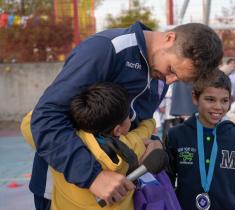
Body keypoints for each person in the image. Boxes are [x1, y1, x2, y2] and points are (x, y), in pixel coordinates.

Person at [28, 21, 223, 209]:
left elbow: (133, 123)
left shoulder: (160, 76)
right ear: (169, 38)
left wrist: (153, 141)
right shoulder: (105, 49)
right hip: (64, 188)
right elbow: (46, 116)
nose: (170, 81)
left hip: (114, 194)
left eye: (178, 79)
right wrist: (92, 176)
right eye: (172, 70)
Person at [21, 83, 181, 210]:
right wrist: (150, 122)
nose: (131, 120)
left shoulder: (62, 144)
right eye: (128, 117)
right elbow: (145, 129)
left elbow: (31, 121)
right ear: (118, 130)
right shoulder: (130, 145)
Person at [165, 70, 235, 210]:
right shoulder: (176, 135)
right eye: (210, 99)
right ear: (195, 98)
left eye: (224, 101)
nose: (218, 107)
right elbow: (166, 184)